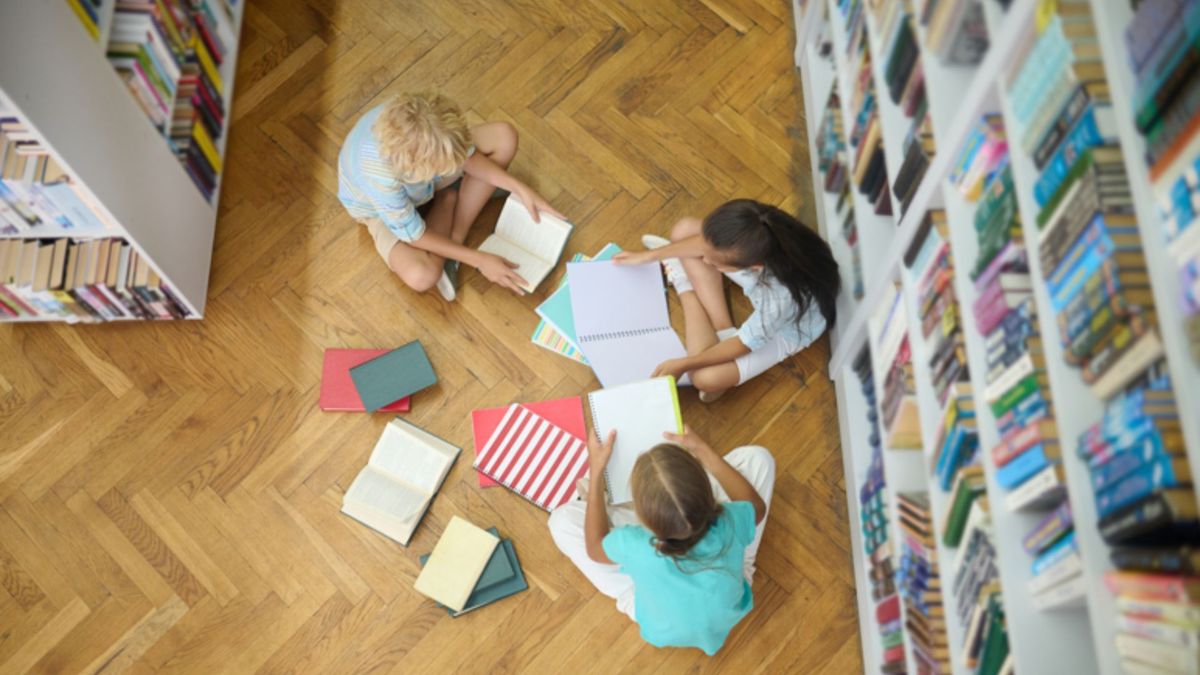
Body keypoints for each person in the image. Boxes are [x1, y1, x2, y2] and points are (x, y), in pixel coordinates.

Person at [547, 426, 775, 655]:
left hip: (660, 621)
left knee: (560, 521)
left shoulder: (635, 543)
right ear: (706, 488)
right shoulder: (730, 519)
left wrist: (596, 473)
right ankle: (737, 555)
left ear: (642, 519)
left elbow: (595, 548)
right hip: (729, 599)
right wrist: (702, 449)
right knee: (759, 458)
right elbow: (756, 507)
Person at [337, 92, 562, 300]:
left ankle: (454, 239)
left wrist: (520, 187)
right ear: (419, 166)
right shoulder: (378, 175)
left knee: (504, 136)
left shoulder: (416, 117)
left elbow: (465, 155)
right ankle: (449, 200)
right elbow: (413, 235)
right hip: (378, 210)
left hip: (424, 174)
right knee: (421, 275)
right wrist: (479, 259)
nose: (453, 169)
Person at [615, 199, 839, 401]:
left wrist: (682, 364)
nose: (704, 260)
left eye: (714, 263)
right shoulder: (760, 229)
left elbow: (744, 344)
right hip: (768, 286)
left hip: (786, 328)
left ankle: (683, 283)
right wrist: (649, 256)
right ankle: (723, 328)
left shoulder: (778, 301)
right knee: (684, 229)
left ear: (754, 267)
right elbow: (706, 244)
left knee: (703, 378)